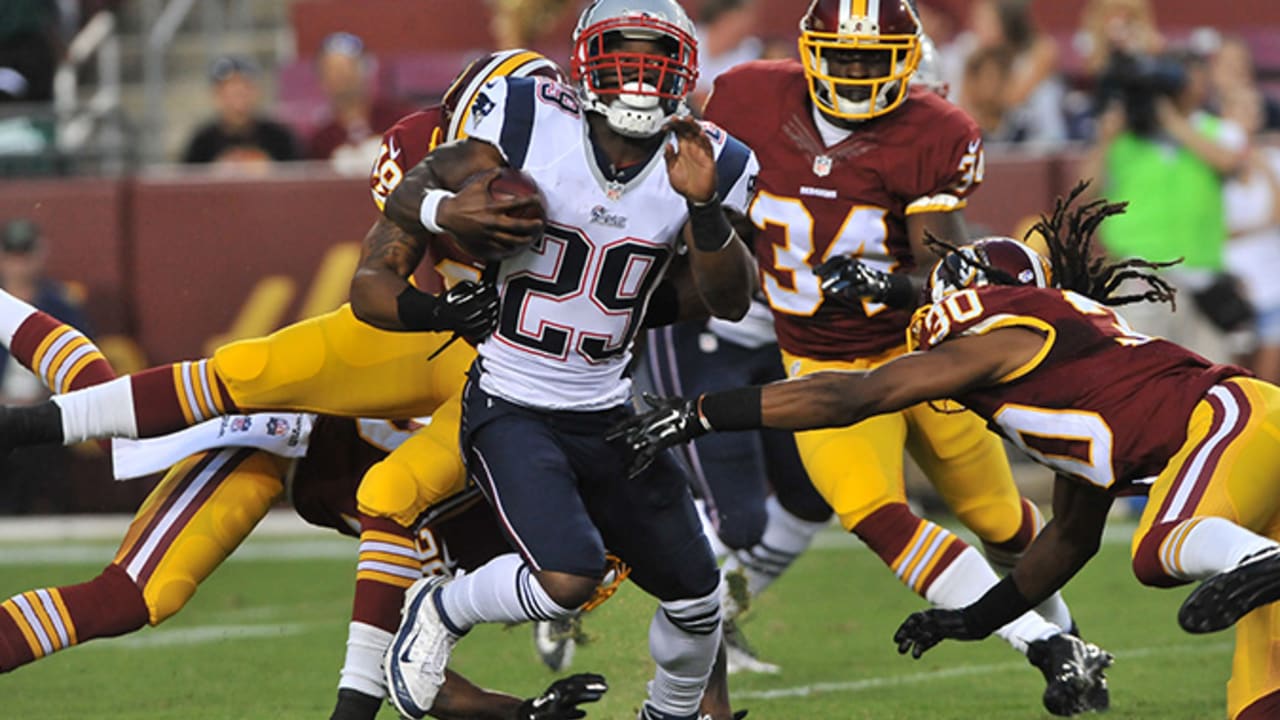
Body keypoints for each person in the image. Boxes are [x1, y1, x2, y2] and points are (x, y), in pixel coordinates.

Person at [612, 185, 1280, 720]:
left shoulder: (1000, 329)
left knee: (1159, 549)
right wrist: (973, 618)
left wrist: (701, 412)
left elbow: (858, 396)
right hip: (1242, 432)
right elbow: (1067, 542)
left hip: (1233, 419)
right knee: (1261, 699)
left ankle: (1261, 560)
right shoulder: (1083, 383)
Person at [694, 0, 1107, 713]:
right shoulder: (745, 98)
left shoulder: (932, 131)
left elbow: (945, 268)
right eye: (842, 54)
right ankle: (1048, 647)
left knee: (1001, 520)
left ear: (908, 61)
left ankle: (1071, 645)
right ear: (811, 51)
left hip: (922, 355)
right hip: (819, 362)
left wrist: (891, 285)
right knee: (873, 513)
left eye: (872, 57)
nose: (855, 70)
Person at [368, 1, 759, 718]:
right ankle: (443, 606)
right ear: (586, 57)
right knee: (568, 577)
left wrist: (703, 213)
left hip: (608, 408)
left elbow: (731, 299)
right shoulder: (525, 118)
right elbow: (415, 182)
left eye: (656, 56)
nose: (640, 75)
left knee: (700, 602)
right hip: (514, 400)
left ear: (685, 65)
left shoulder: (713, 159)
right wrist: (443, 214)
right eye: (623, 53)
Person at [0, 287, 610, 720]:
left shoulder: (473, 560)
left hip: (292, 458)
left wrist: (520, 714)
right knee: (107, 429)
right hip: (286, 422)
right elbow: (390, 511)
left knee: (132, 578)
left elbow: (417, 674)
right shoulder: (496, 469)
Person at [1082, 46, 1249, 361]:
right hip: (1141, 273)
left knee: (1213, 376)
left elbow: (1229, 162)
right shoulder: (1124, 138)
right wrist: (1106, 139)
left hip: (1202, 276)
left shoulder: (1212, 129)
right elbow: (1085, 189)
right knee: (1143, 372)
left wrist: (1171, 122)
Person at [0, 218, 92, 515]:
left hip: (46, 413)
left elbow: (82, 362)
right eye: (13, 254)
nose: (19, 264)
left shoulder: (59, 304)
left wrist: (43, 396)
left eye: (25, 253)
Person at [307, 32, 414, 174]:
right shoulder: (322, 141)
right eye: (332, 70)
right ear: (321, 78)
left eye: (348, 67)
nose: (342, 76)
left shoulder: (399, 120)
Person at [181, 55, 302, 167]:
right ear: (216, 94)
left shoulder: (280, 138)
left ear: (257, 91)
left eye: (245, 86)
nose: (238, 94)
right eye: (230, 88)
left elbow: (300, 178)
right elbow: (186, 182)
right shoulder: (202, 143)